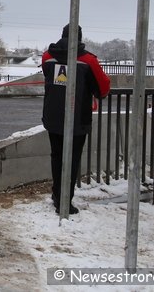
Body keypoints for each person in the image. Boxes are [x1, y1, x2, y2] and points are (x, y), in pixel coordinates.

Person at [42, 24, 110, 215]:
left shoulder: (48, 57)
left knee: (57, 157)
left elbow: (49, 77)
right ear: (79, 39)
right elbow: (103, 88)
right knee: (71, 160)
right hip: (78, 119)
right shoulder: (88, 60)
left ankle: (57, 195)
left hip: (53, 116)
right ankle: (65, 201)